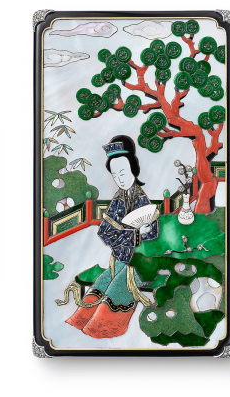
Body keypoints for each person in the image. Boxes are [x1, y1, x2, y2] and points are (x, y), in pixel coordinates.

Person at [61, 135, 159, 339]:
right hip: (119, 261)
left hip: (139, 264)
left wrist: (129, 236)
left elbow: (153, 233)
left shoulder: (141, 200)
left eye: (123, 172)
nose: (119, 179)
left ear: (134, 168)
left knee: (115, 289)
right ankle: (80, 322)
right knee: (100, 283)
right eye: (115, 175)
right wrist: (132, 234)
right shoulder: (118, 198)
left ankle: (102, 329)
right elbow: (104, 232)